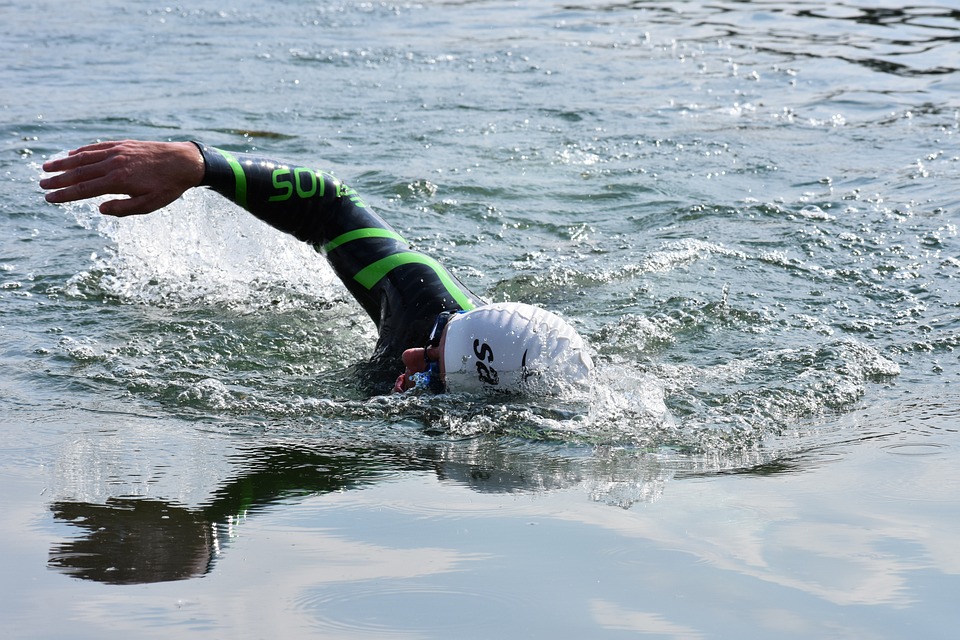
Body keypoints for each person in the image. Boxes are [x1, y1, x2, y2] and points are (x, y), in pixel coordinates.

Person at [40, 140, 593, 395]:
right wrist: (203, 165)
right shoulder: (424, 302)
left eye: (430, 368)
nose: (409, 354)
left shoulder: (453, 439)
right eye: (433, 339)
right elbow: (330, 206)